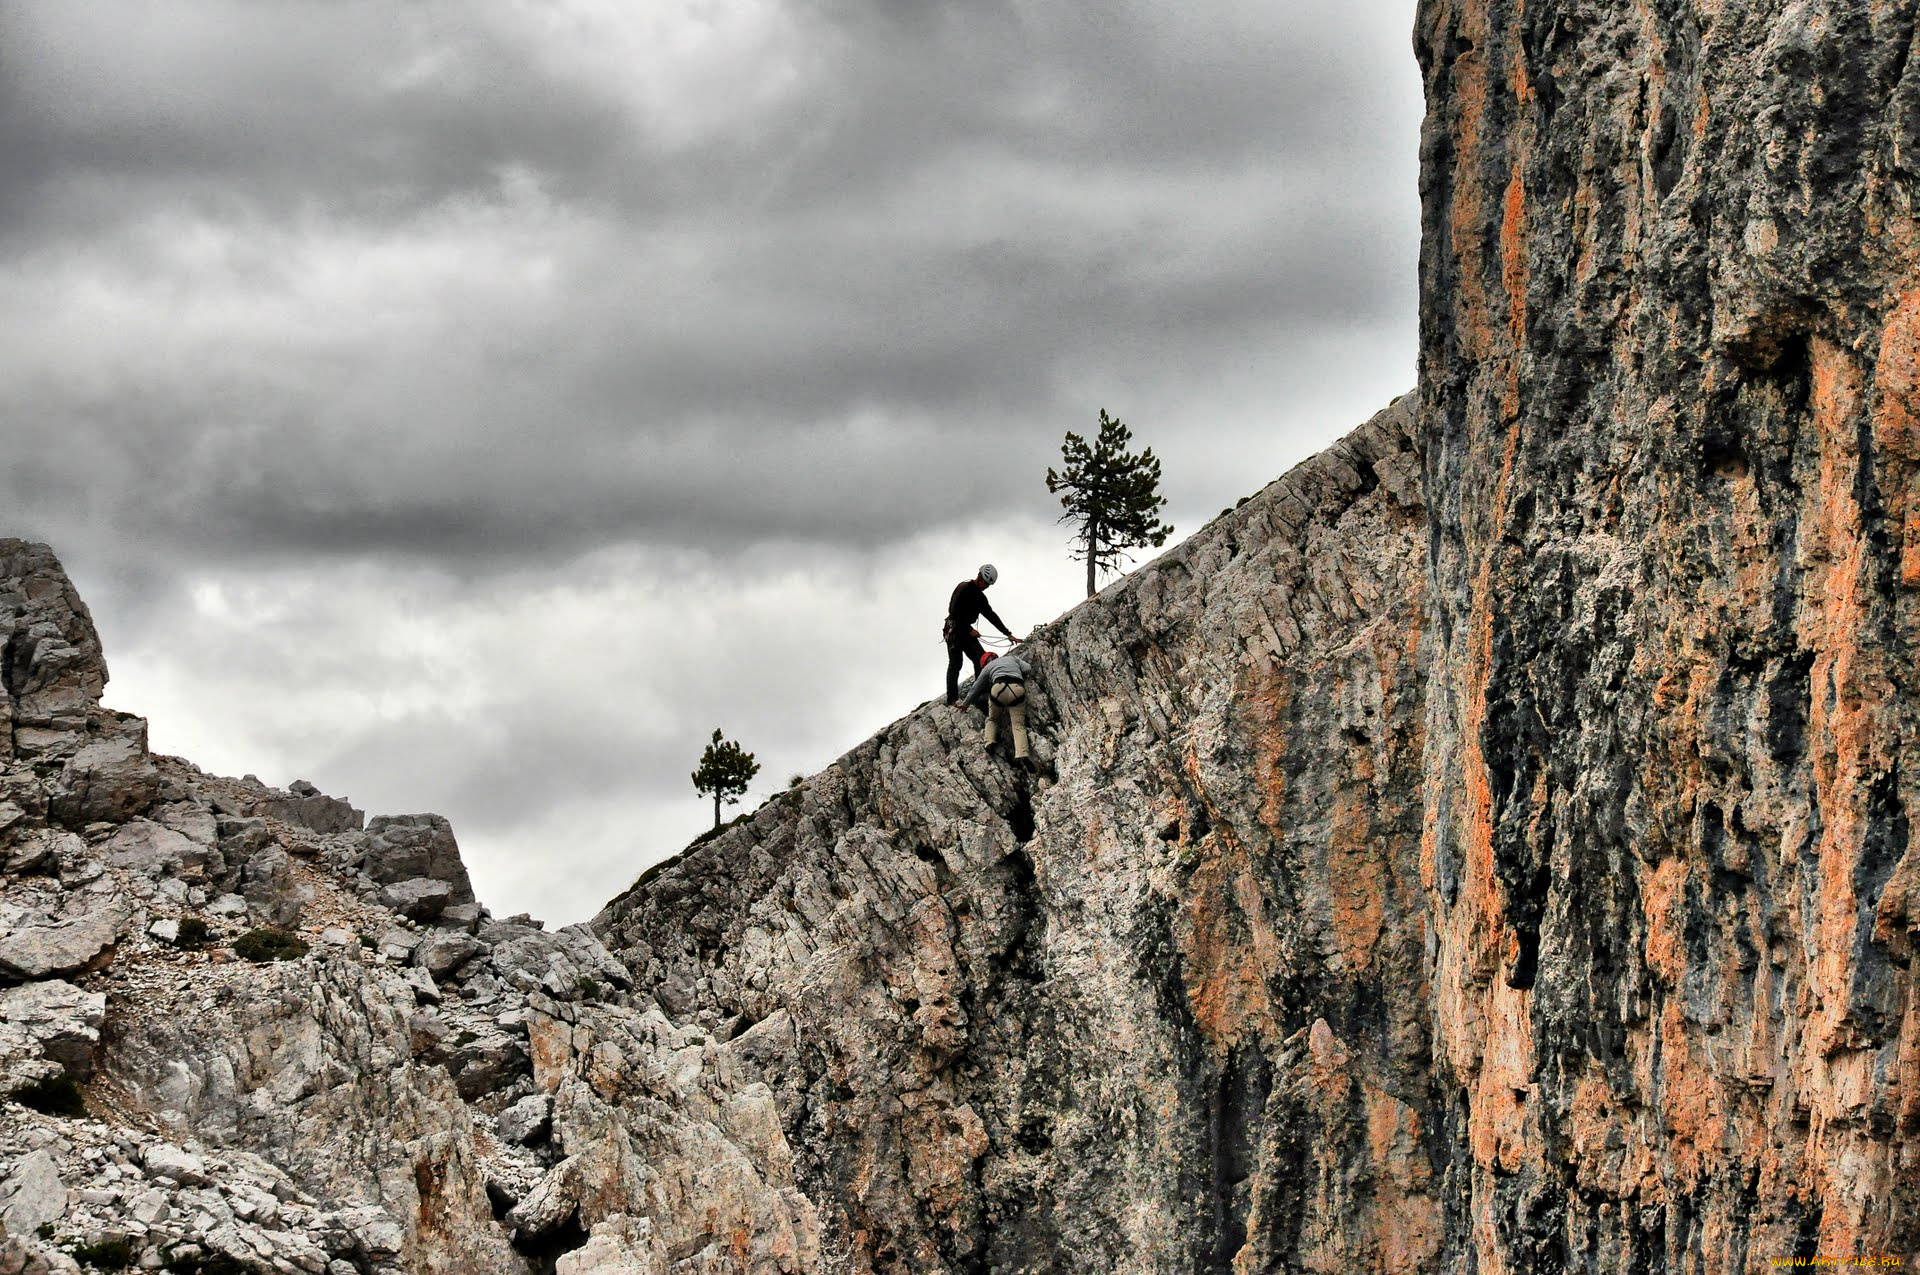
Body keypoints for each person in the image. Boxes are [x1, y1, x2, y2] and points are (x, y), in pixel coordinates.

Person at [944, 564, 1015, 706]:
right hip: (954, 630)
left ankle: (978, 694)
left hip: (965, 631)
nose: (986, 587)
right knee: (956, 664)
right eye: (985, 583)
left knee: (981, 659)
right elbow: (953, 611)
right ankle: (952, 700)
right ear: (980, 577)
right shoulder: (963, 588)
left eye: (988, 585)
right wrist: (969, 629)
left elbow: (990, 615)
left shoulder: (980, 597)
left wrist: (1007, 633)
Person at [964, 647, 1034, 770]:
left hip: (998, 689)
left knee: (992, 719)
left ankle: (989, 741)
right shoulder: (1012, 658)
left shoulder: (987, 668)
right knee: (1018, 725)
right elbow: (1028, 668)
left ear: (985, 663)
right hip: (1016, 689)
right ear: (995, 656)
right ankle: (1022, 753)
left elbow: (976, 688)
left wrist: (965, 704)